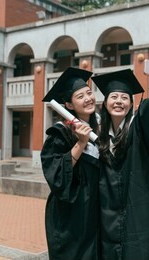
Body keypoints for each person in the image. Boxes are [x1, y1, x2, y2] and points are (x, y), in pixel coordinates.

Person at [91, 67, 149, 260]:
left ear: (131, 104)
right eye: (113, 97)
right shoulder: (98, 135)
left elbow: (148, 112)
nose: (119, 101)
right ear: (105, 102)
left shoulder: (136, 127)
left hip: (140, 207)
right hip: (109, 213)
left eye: (124, 98)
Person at [41, 67, 100, 260]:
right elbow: (56, 174)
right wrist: (81, 143)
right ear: (69, 105)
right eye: (80, 96)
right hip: (71, 211)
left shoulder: (102, 127)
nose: (88, 98)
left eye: (89, 93)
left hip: (96, 208)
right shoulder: (60, 133)